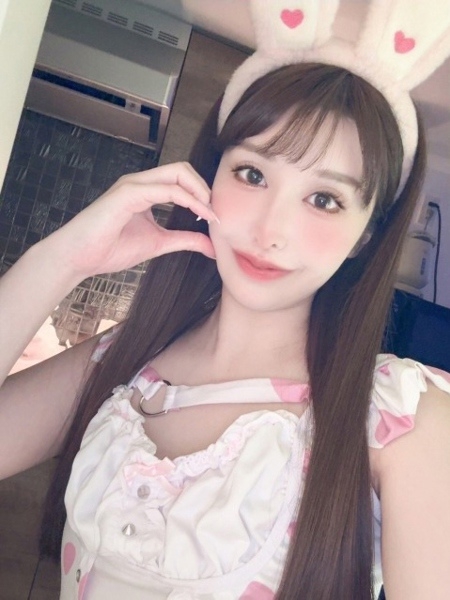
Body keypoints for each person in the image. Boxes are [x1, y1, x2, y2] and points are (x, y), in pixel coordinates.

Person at [1, 6, 450, 600]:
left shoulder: (401, 417)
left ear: (365, 235)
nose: (271, 230)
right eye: (253, 175)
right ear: (210, 176)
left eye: (324, 200)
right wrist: (60, 260)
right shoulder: (125, 360)